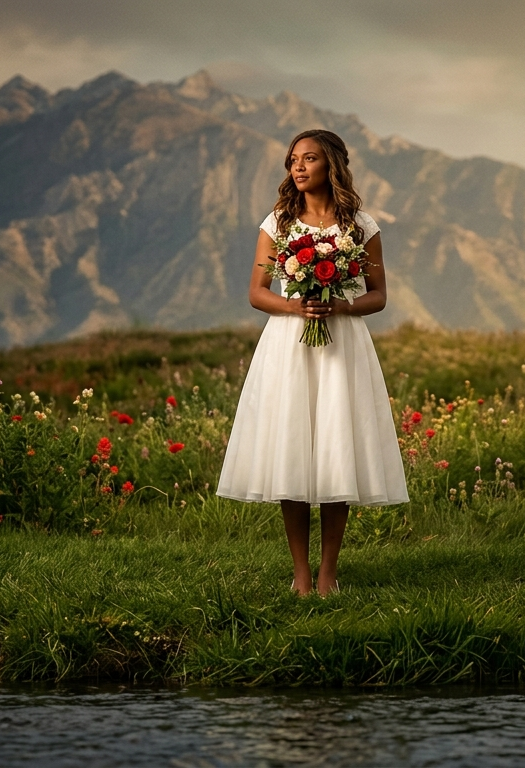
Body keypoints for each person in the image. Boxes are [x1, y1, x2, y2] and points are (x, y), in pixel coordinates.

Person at [215, 129, 409, 598]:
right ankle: (300, 572)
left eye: (309, 159)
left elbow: (379, 296)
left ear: (332, 165)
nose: (297, 168)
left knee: (336, 449)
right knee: (293, 451)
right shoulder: (278, 223)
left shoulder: (361, 225)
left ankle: (328, 573)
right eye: (292, 160)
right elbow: (258, 293)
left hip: (342, 343)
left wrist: (341, 307)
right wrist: (298, 307)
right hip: (288, 344)